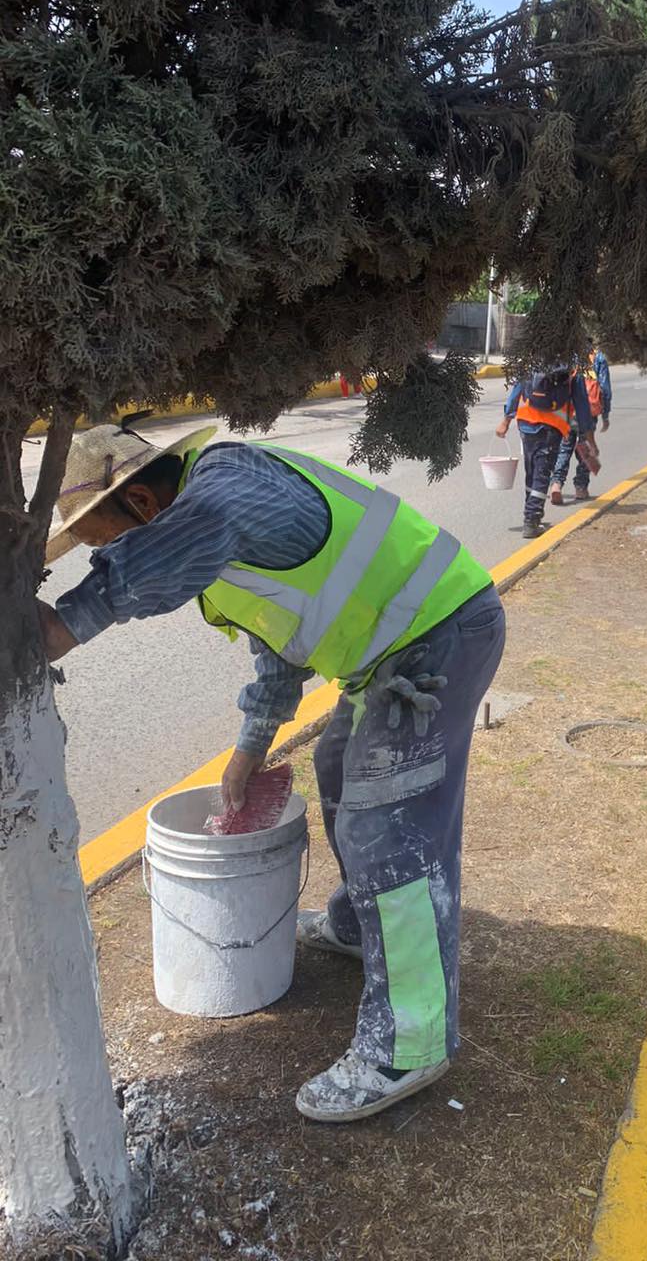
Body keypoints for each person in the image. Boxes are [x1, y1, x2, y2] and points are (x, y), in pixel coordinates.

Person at [37, 417, 505, 1122]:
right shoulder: (218, 537)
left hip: (439, 633)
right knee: (341, 765)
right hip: (395, 651)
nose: (104, 551)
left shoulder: (225, 488)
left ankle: (408, 1044)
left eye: (105, 537)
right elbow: (282, 645)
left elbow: (197, 531)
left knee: (391, 832)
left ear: (139, 504)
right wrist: (249, 749)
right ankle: (355, 925)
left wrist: (69, 620)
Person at [494, 367, 597, 539]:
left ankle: (530, 512)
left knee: (532, 472)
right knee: (542, 476)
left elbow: (517, 389)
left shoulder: (533, 357)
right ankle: (532, 520)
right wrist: (589, 437)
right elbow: (582, 406)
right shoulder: (573, 366)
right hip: (552, 427)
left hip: (526, 424)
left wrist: (506, 420)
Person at [550, 339, 612, 506]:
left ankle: (556, 483)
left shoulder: (568, 357)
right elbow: (605, 389)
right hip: (588, 412)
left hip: (567, 411)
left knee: (564, 448)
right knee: (585, 448)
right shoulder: (598, 358)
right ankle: (580, 487)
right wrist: (605, 415)